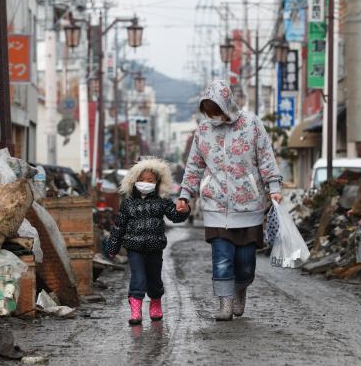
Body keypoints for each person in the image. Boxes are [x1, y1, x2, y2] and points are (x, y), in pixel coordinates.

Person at [177, 80, 283, 321]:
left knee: (246, 264)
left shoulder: (252, 124)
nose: (213, 115)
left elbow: (266, 156)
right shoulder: (203, 131)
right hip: (215, 206)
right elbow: (194, 166)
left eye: (216, 108)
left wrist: (273, 186)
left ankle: (240, 288)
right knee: (222, 259)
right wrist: (186, 195)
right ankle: (224, 304)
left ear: (226, 104)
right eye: (208, 110)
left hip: (249, 206)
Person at [106, 158, 190, 325]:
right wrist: (112, 247)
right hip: (134, 247)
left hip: (155, 247)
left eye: (150, 180)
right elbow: (119, 226)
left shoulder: (162, 200)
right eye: (142, 180)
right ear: (134, 181)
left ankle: (156, 303)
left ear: (157, 182)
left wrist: (183, 211)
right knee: (138, 277)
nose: (145, 183)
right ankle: (136, 311)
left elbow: (174, 216)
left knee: (154, 279)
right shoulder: (128, 203)